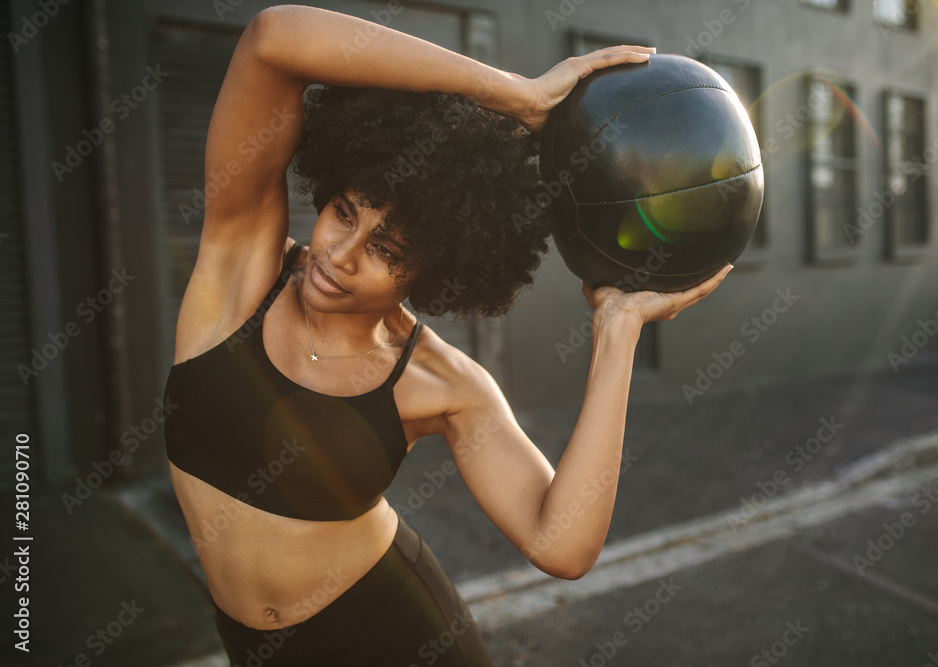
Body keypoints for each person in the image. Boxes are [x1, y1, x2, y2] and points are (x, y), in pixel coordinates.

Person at [163, 5, 732, 666]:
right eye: (343, 210)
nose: (340, 253)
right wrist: (513, 93)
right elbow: (274, 39)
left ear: (439, 267)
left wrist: (617, 331)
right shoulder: (240, 270)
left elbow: (562, 545)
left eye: (389, 248)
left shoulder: (439, 381)